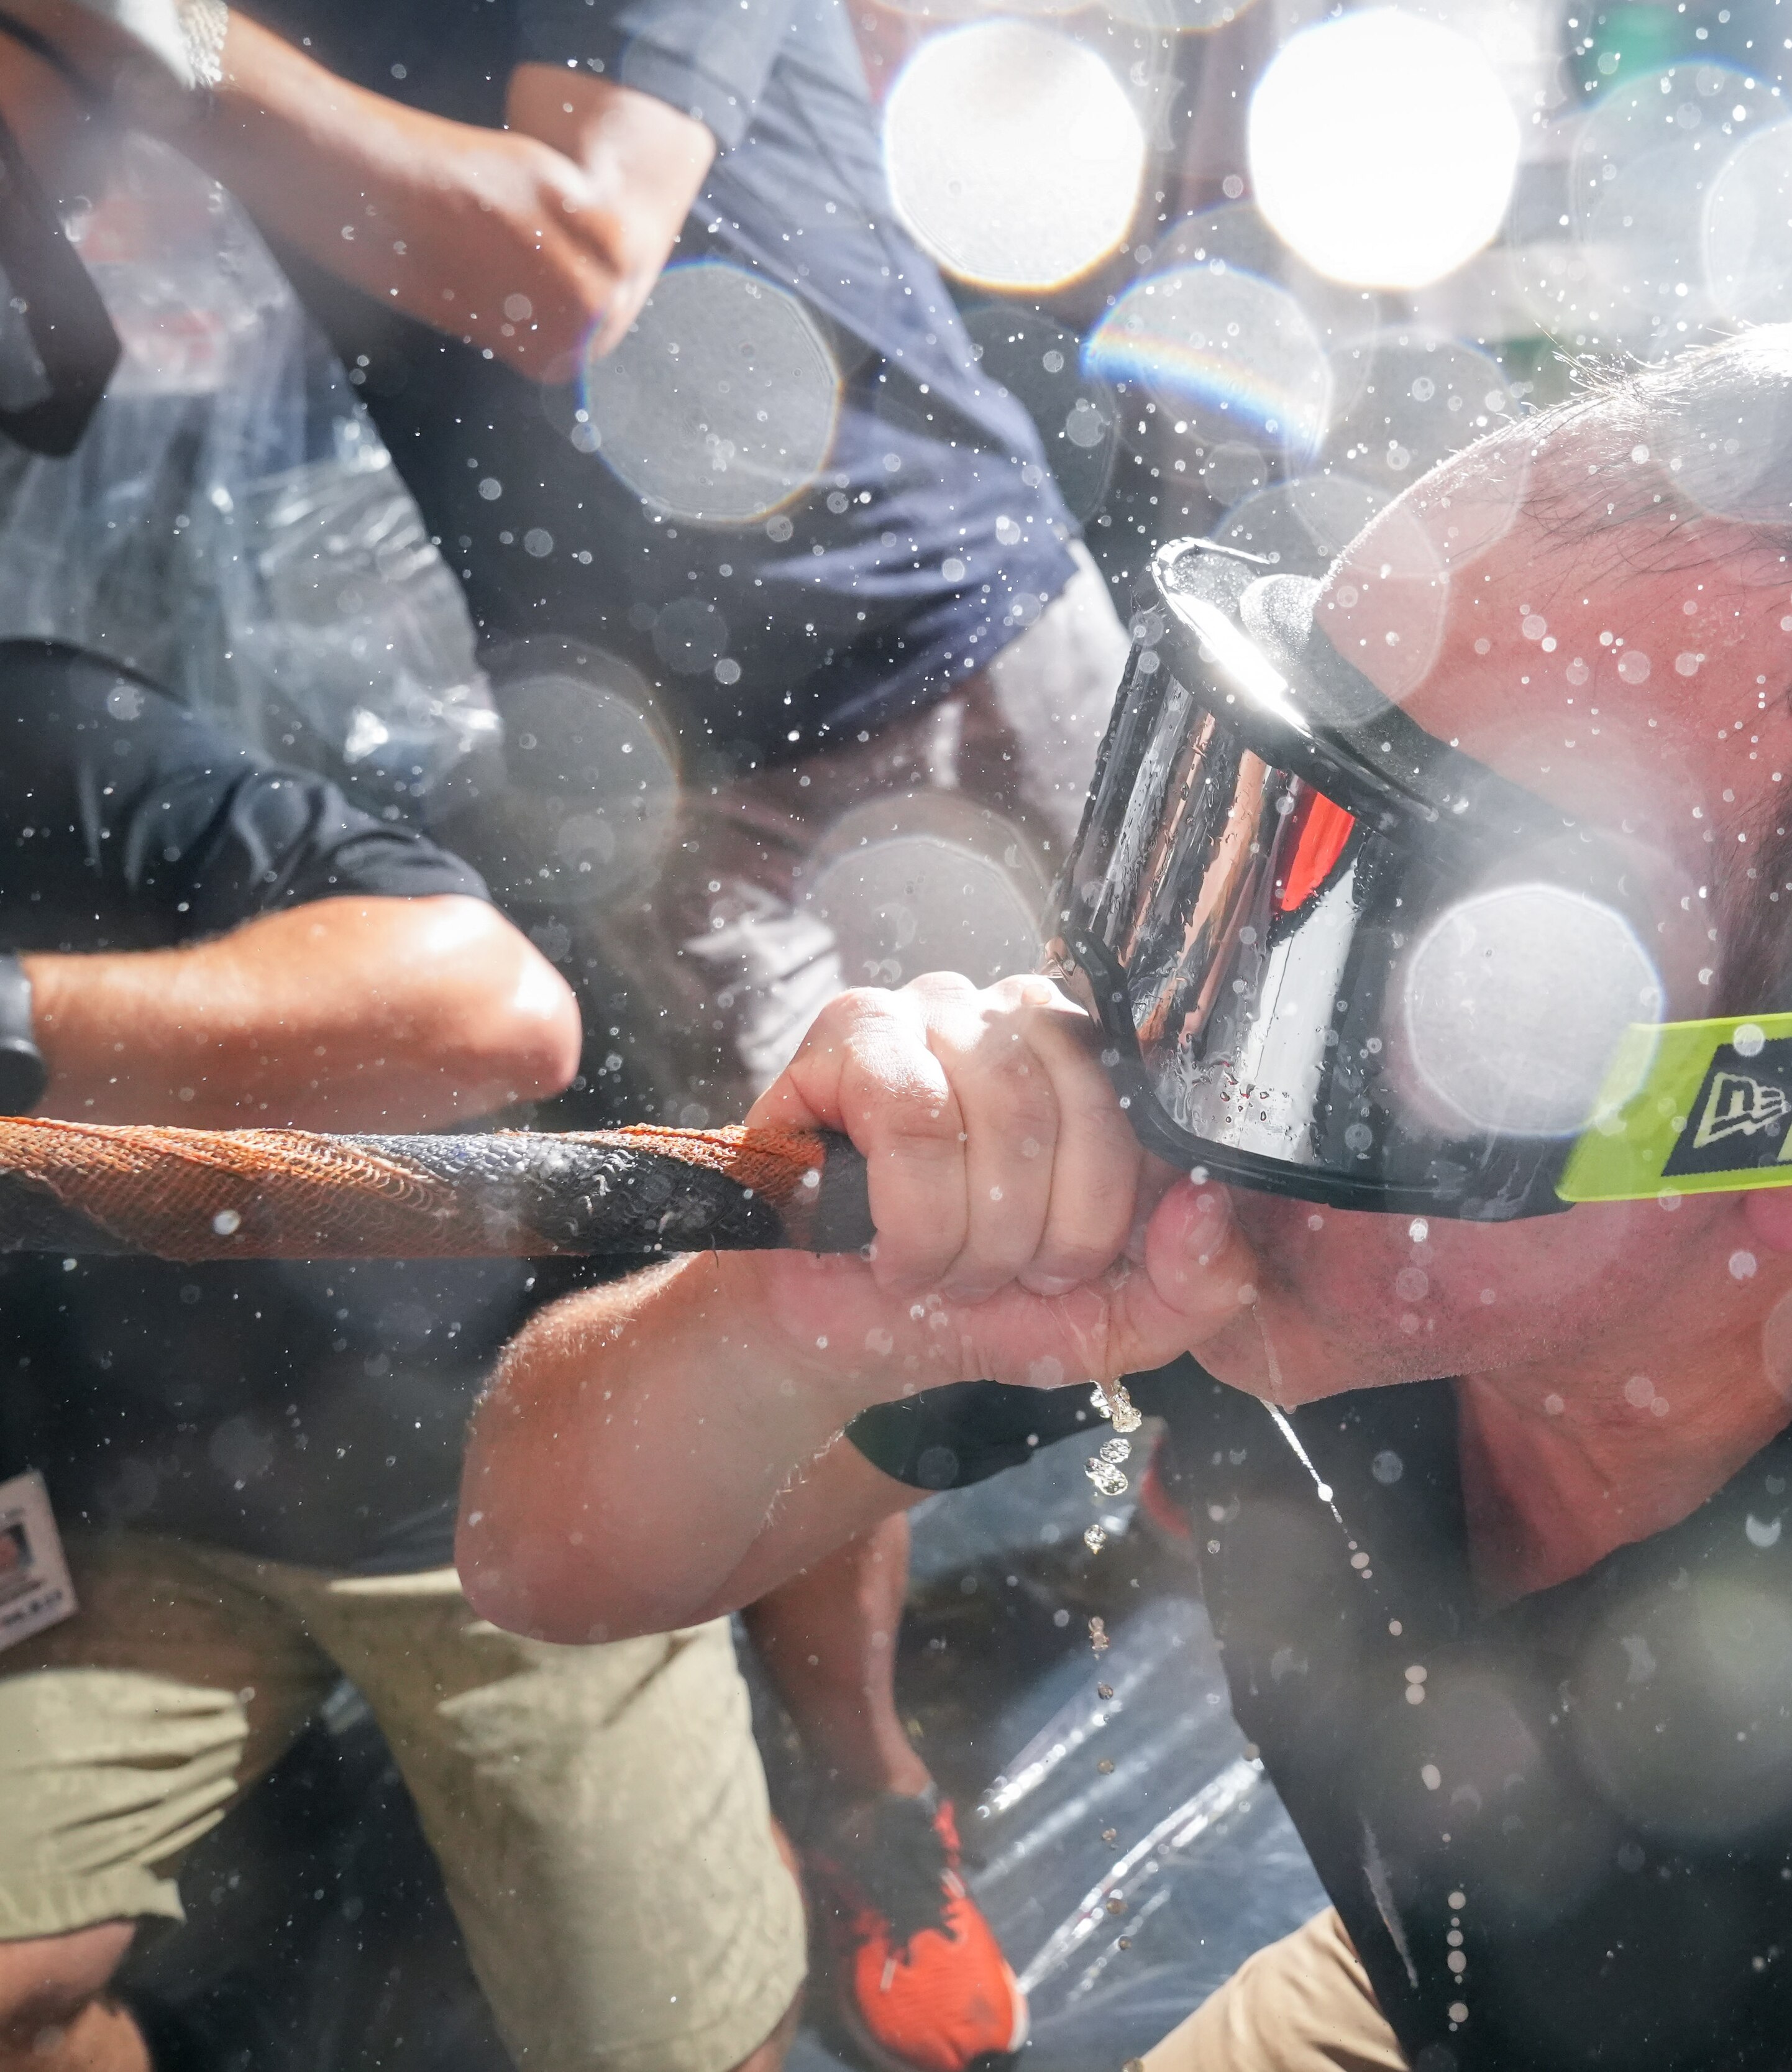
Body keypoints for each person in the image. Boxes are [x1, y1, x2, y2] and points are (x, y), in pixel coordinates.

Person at [456, 329, 1792, 2071]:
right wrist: (807, 1319)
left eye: (1438, 951)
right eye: (1265, 812)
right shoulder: (1273, 1210)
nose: (1210, 1004)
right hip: (1452, 1971)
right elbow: (543, 1557)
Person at [0, 2, 1123, 2055]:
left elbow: (569, 265)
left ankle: (1316, 1614)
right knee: (835, 1275)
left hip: (954, 638)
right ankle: (869, 1788)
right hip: (674, 761)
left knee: (1193, 1207)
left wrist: (147, 33)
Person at [0, 640, 811, 2072]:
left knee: (686, 2045)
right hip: (134, 1526)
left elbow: (493, 1009)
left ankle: (838, 1811)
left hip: (479, 1477)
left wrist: (18, 1022)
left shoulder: (39, 733)